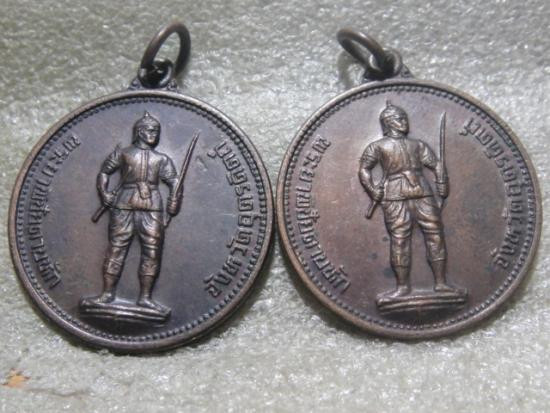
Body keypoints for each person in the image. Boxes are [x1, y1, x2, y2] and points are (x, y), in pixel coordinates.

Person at [359, 101, 459, 299]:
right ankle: (402, 287)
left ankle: (441, 283)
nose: (404, 121)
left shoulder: (418, 145)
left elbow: (436, 164)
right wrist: (371, 190)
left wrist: (442, 182)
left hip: (422, 191)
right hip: (394, 194)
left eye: (404, 118)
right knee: (399, 239)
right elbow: (364, 169)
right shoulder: (377, 146)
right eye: (399, 118)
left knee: (435, 235)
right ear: (388, 122)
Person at [85, 111, 181, 312]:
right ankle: (107, 294)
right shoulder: (123, 153)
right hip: (123, 204)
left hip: (152, 207)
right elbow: (104, 172)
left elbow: (174, 181)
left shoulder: (162, 159)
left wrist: (174, 201)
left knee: (152, 251)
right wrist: (104, 193)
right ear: (139, 132)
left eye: (156, 131)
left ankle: (145, 298)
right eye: (149, 130)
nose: (154, 134)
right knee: (116, 248)